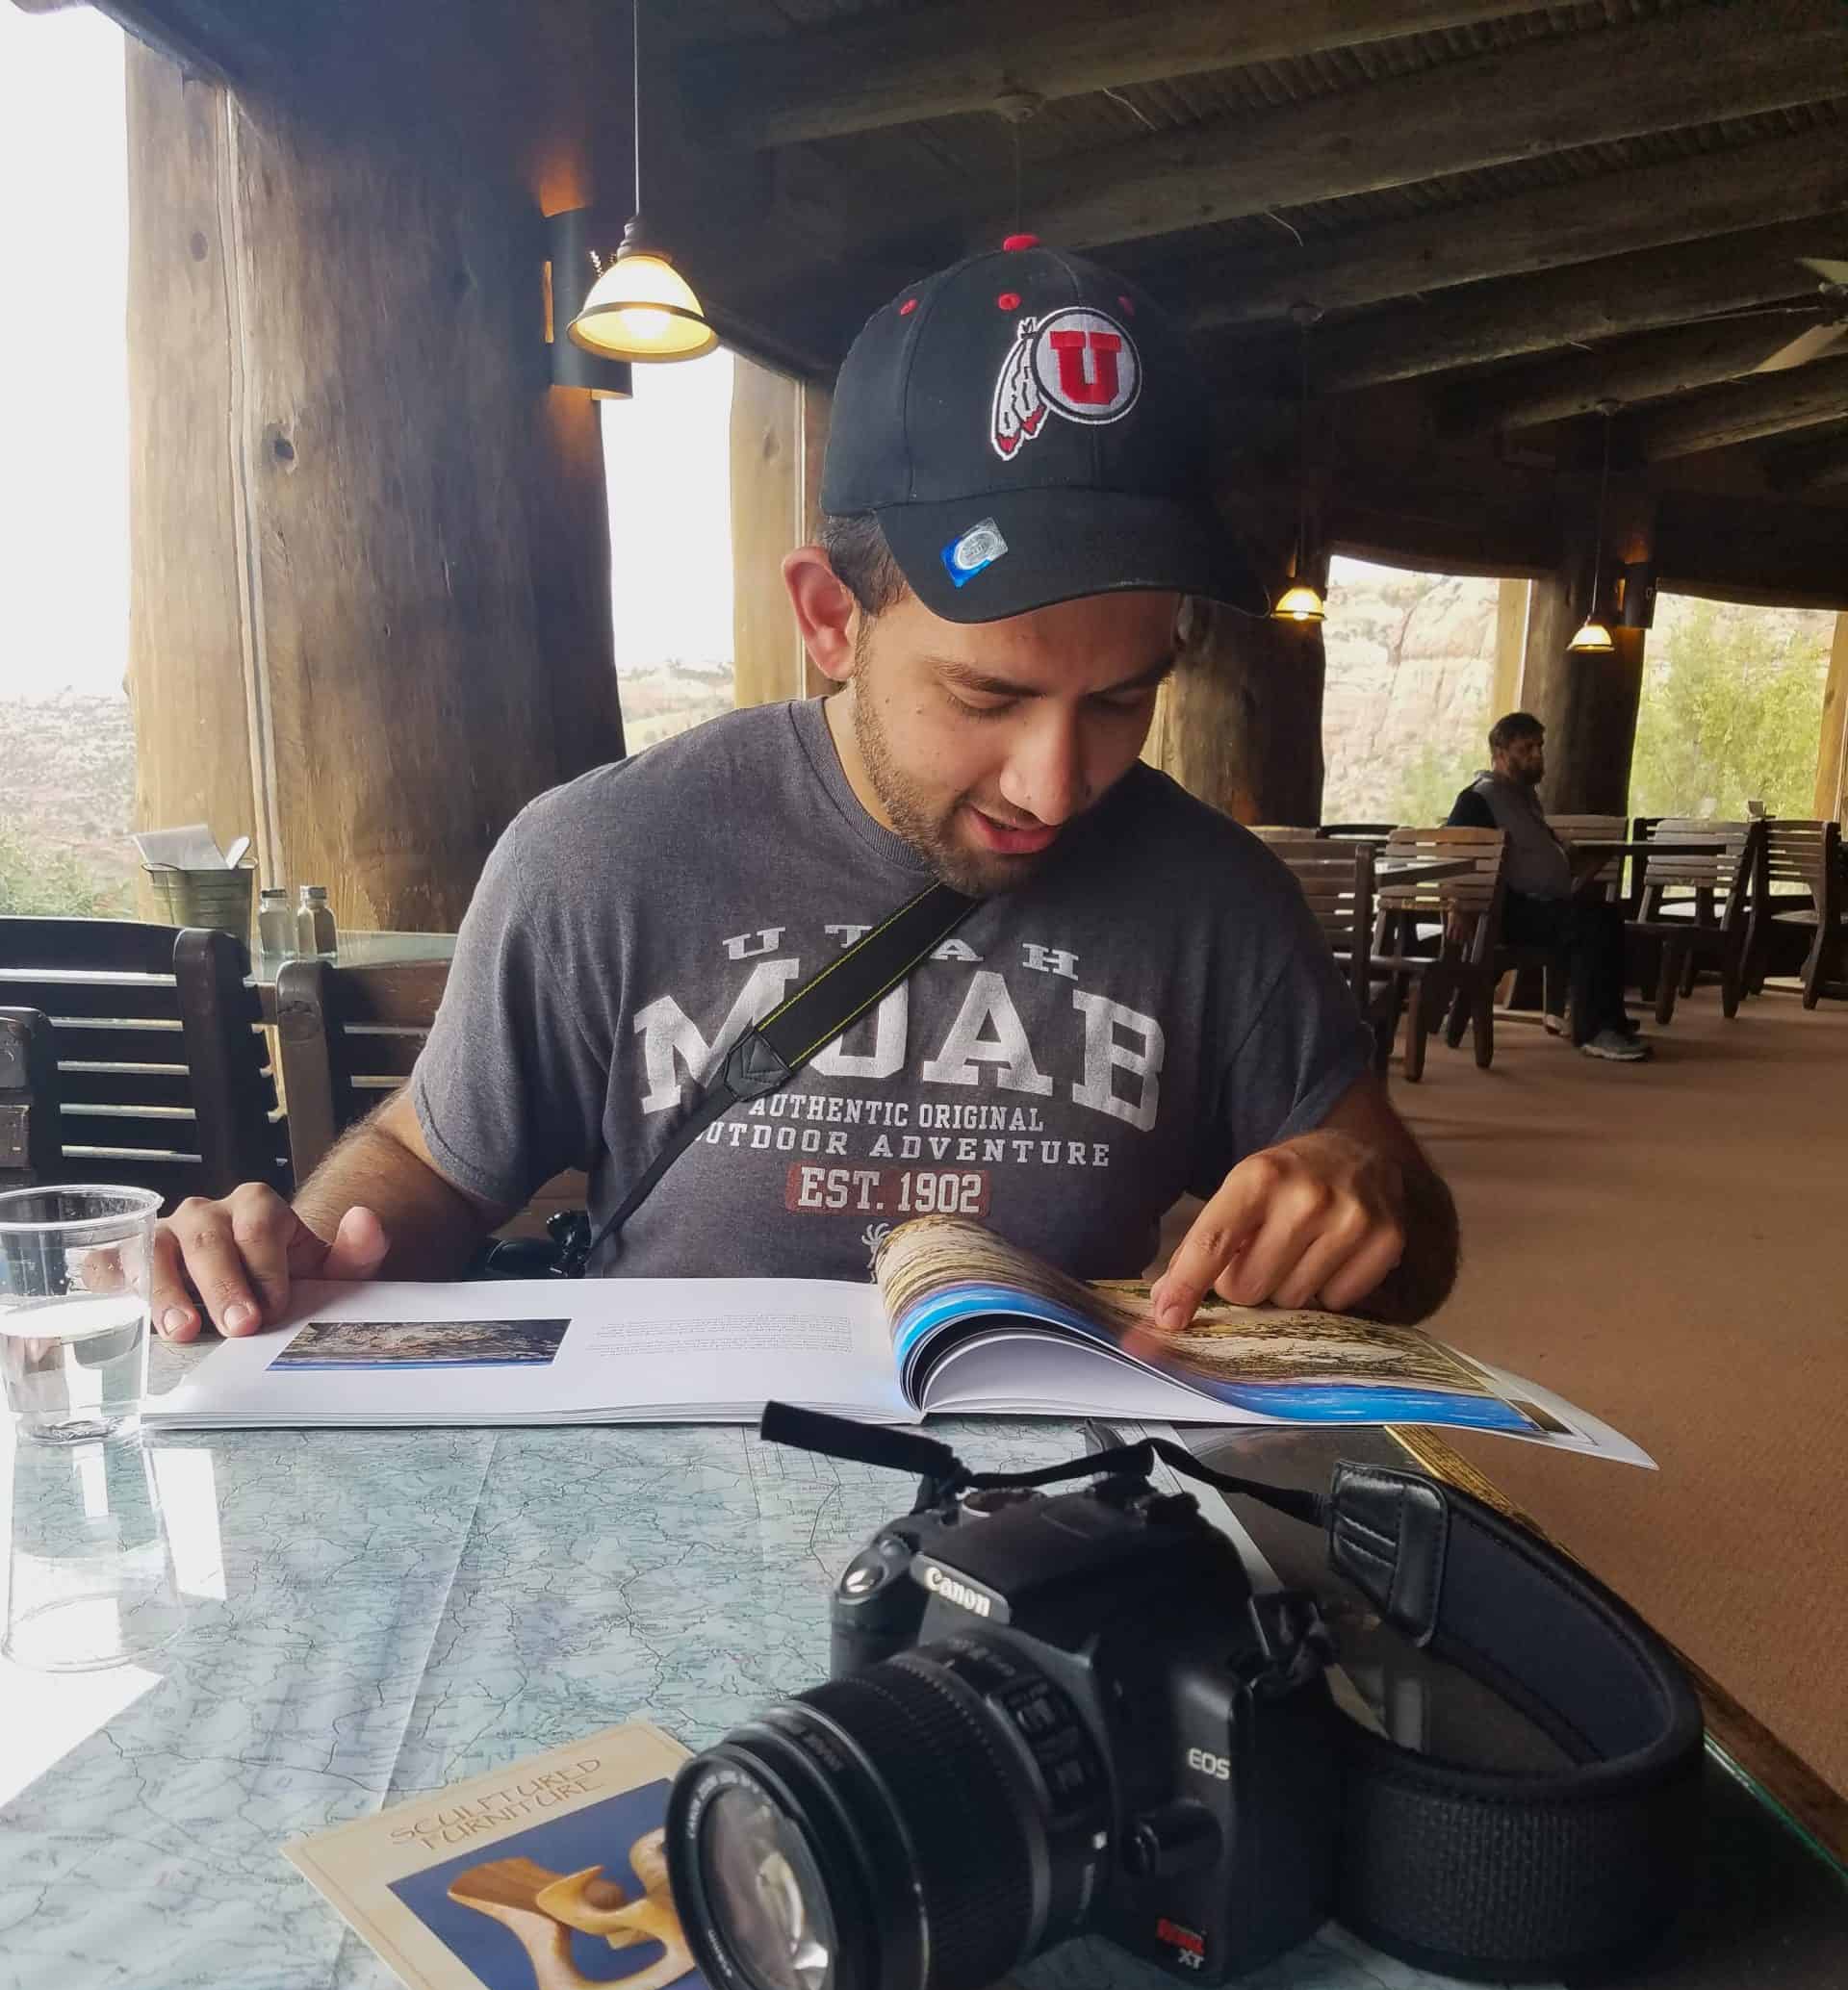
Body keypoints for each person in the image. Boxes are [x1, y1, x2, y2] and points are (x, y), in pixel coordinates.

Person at [152, 236, 1459, 1342]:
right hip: (662, 1511)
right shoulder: (599, 855)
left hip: (1052, 1548)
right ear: (831, 620)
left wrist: (1367, 1197)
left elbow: (1410, 1239)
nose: (1058, 786)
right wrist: (288, 1252)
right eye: (989, 698)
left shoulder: (1217, 900)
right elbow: (431, 1163)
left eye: (1122, 699)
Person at [1447, 713, 1649, 1062]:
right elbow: (1454, 851)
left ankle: (1608, 1019)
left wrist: (1565, 853)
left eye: (1539, 747)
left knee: (1606, 914)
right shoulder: (1478, 798)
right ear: (1499, 751)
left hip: (1542, 904)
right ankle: (1593, 1033)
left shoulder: (1523, 798)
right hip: (1508, 912)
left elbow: (1543, 845)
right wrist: (1456, 903)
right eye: (1526, 749)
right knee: (1591, 924)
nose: (1537, 756)